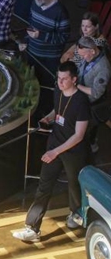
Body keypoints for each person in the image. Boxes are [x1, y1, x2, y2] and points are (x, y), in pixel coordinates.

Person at [13, 62, 90, 242]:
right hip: (55, 144)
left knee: (74, 185)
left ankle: (77, 214)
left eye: (64, 79)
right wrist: (49, 117)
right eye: (58, 78)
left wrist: (55, 152)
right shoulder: (58, 91)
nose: (60, 82)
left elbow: (79, 135)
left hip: (73, 152)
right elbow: (58, 109)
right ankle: (32, 228)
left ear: (74, 79)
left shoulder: (81, 102)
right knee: (44, 185)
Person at [22, 0, 71, 88]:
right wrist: (26, 41)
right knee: (31, 83)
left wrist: (41, 35)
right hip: (32, 54)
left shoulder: (60, 12)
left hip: (49, 60)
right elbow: (31, 24)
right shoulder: (35, 3)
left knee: (46, 87)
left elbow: (64, 37)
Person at [75, 36, 110, 153]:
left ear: (93, 51)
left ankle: (91, 146)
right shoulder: (90, 56)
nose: (82, 58)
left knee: (89, 128)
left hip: (93, 103)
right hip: (82, 99)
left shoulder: (103, 68)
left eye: (84, 55)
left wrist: (77, 86)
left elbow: (96, 92)